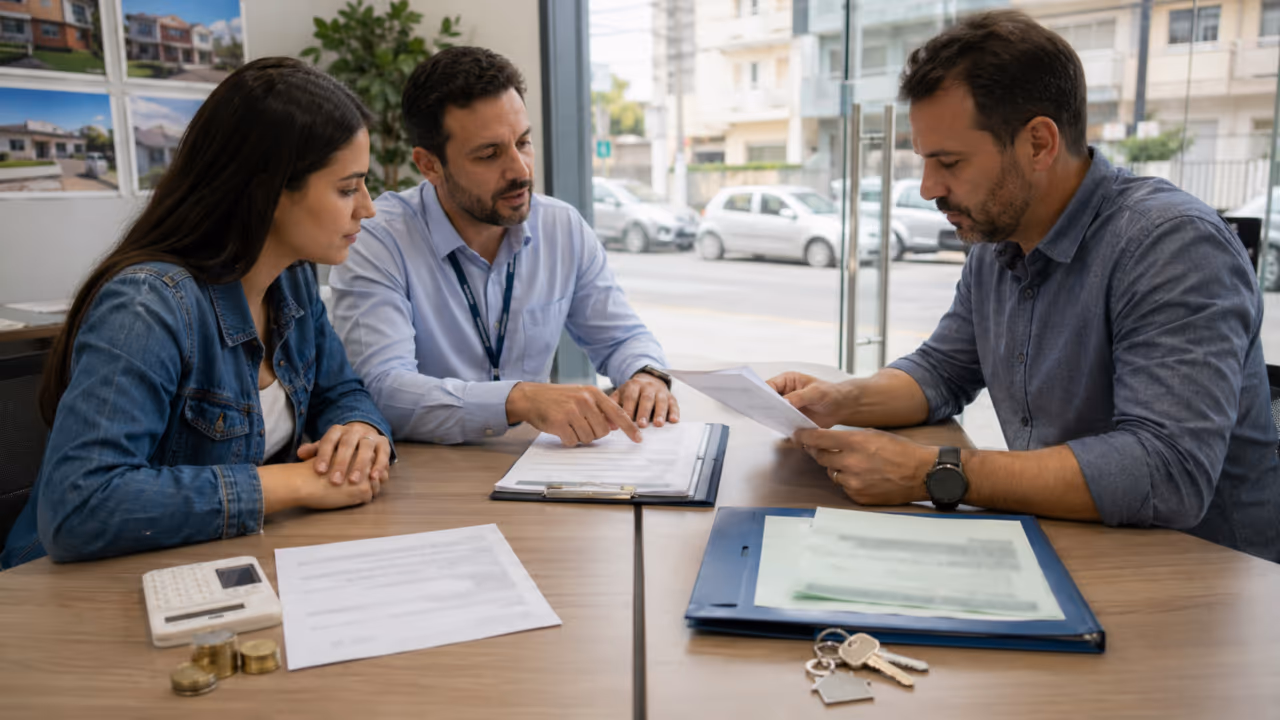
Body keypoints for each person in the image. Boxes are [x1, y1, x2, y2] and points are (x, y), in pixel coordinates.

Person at [769, 11, 1280, 562]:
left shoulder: (1171, 245)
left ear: (1038, 143)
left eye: (949, 162)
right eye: (924, 162)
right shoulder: (998, 243)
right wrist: (837, 400)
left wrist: (931, 472)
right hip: (1070, 542)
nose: (927, 189)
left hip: (1199, 575)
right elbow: (943, 370)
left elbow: (1167, 472)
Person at [1, 58, 394, 569]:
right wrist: (295, 482)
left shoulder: (291, 277)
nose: (368, 208)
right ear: (269, 191)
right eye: (347, 188)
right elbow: (79, 508)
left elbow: (339, 391)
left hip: (200, 570)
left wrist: (359, 432)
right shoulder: (147, 307)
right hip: (64, 596)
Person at [329, 46, 677, 447]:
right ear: (429, 165)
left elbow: (621, 338)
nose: (520, 170)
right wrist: (519, 398)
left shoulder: (561, 227)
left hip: (536, 465)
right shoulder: (377, 238)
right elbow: (384, 390)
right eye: (490, 154)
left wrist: (646, 376)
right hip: (426, 479)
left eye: (524, 143)